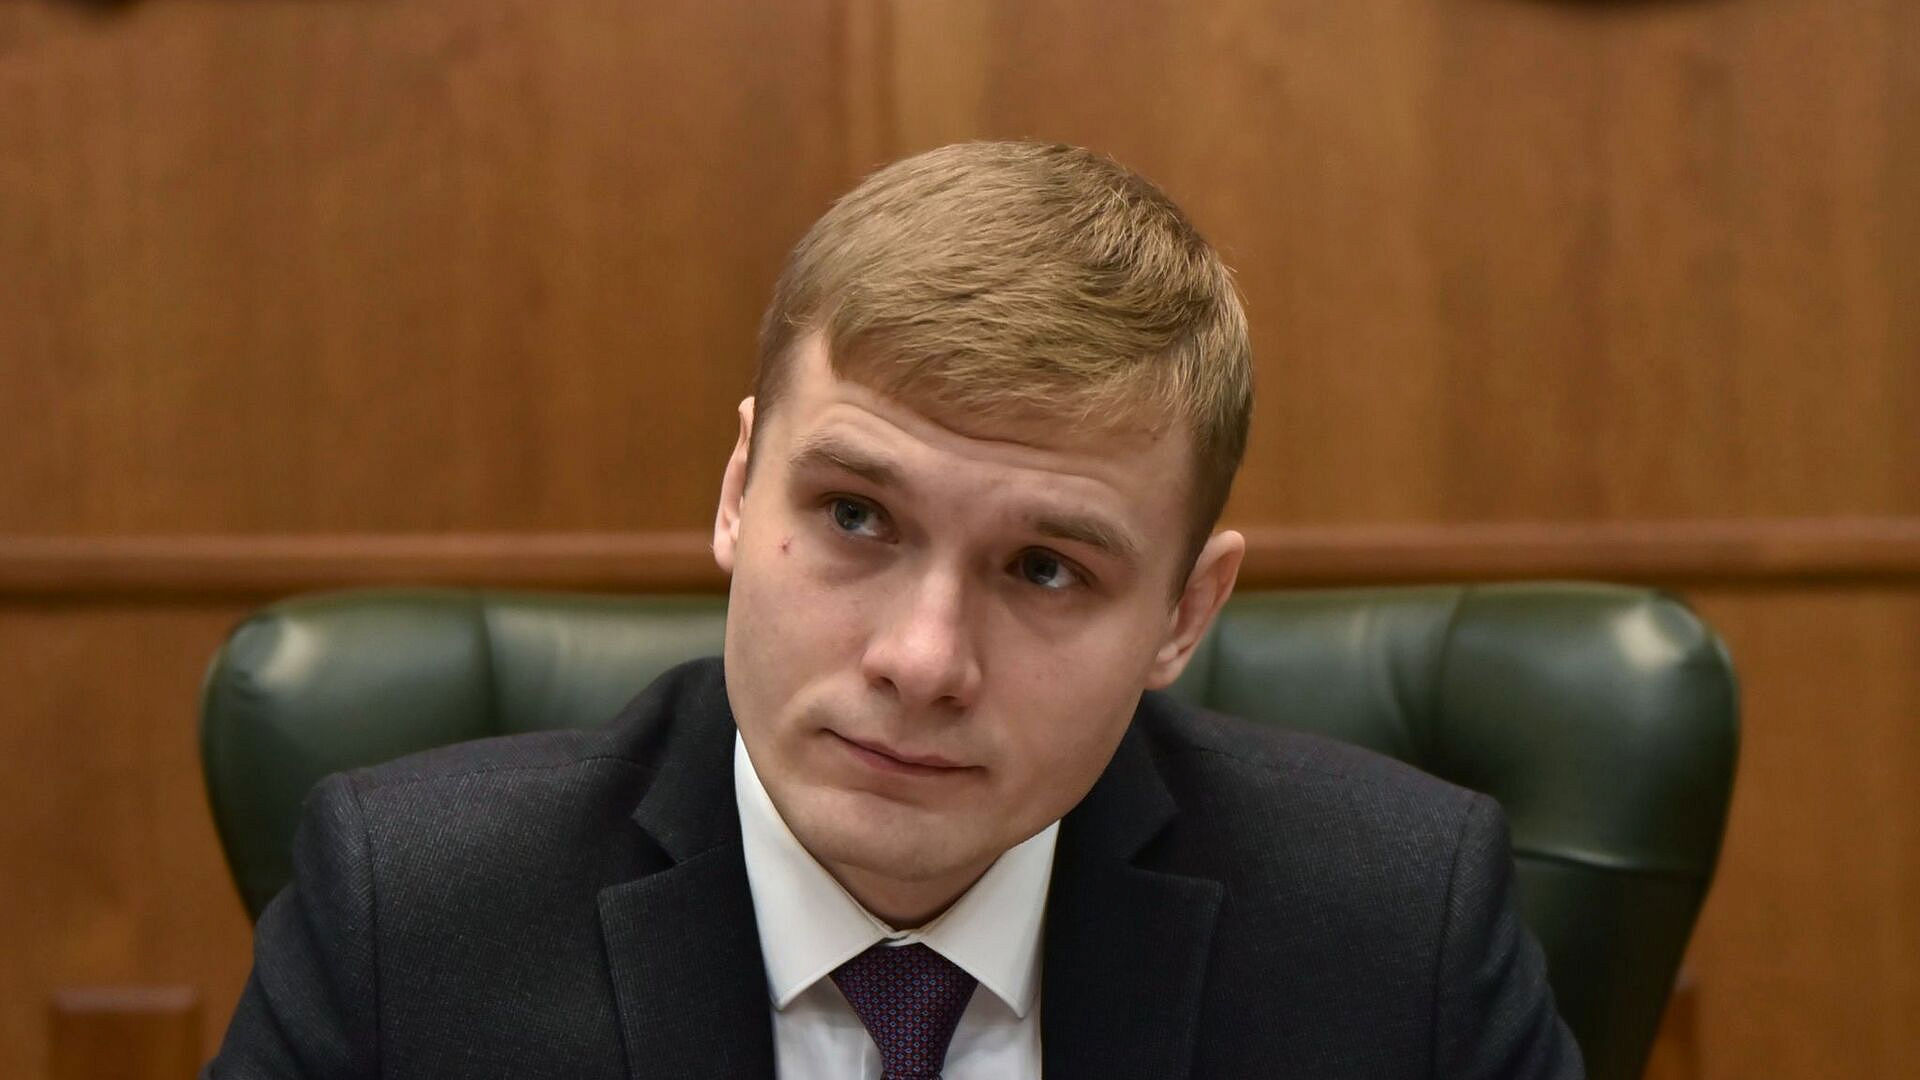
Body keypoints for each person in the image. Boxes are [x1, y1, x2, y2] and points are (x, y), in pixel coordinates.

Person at [206, 141, 1582, 1078]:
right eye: (856, 517)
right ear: (739, 492)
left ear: (1185, 613)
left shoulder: (1395, 930)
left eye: (1046, 569)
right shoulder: (408, 918)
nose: (922, 662)